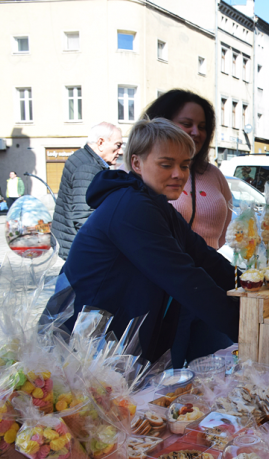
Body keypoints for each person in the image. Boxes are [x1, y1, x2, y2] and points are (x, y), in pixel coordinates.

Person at [54, 118, 239, 363]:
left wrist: (253, 284)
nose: (178, 174)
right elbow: (183, 277)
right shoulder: (131, 206)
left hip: (115, 337)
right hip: (87, 341)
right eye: (166, 164)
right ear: (136, 163)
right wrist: (245, 325)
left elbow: (202, 256)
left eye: (185, 166)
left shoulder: (157, 204)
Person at [143, 90, 232, 250]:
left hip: (208, 270)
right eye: (186, 124)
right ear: (162, 124)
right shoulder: (140, 172)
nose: (196, 132)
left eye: (202, 127)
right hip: (164, 271)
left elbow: (227, 231)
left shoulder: (214, 174)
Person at [52, 122, 123, 260]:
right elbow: (85, 217)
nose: (120, 151)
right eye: (118, 145)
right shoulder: (88, 167)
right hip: (80, 249)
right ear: (101, 143)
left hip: (71, 243)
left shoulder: (82, 157)